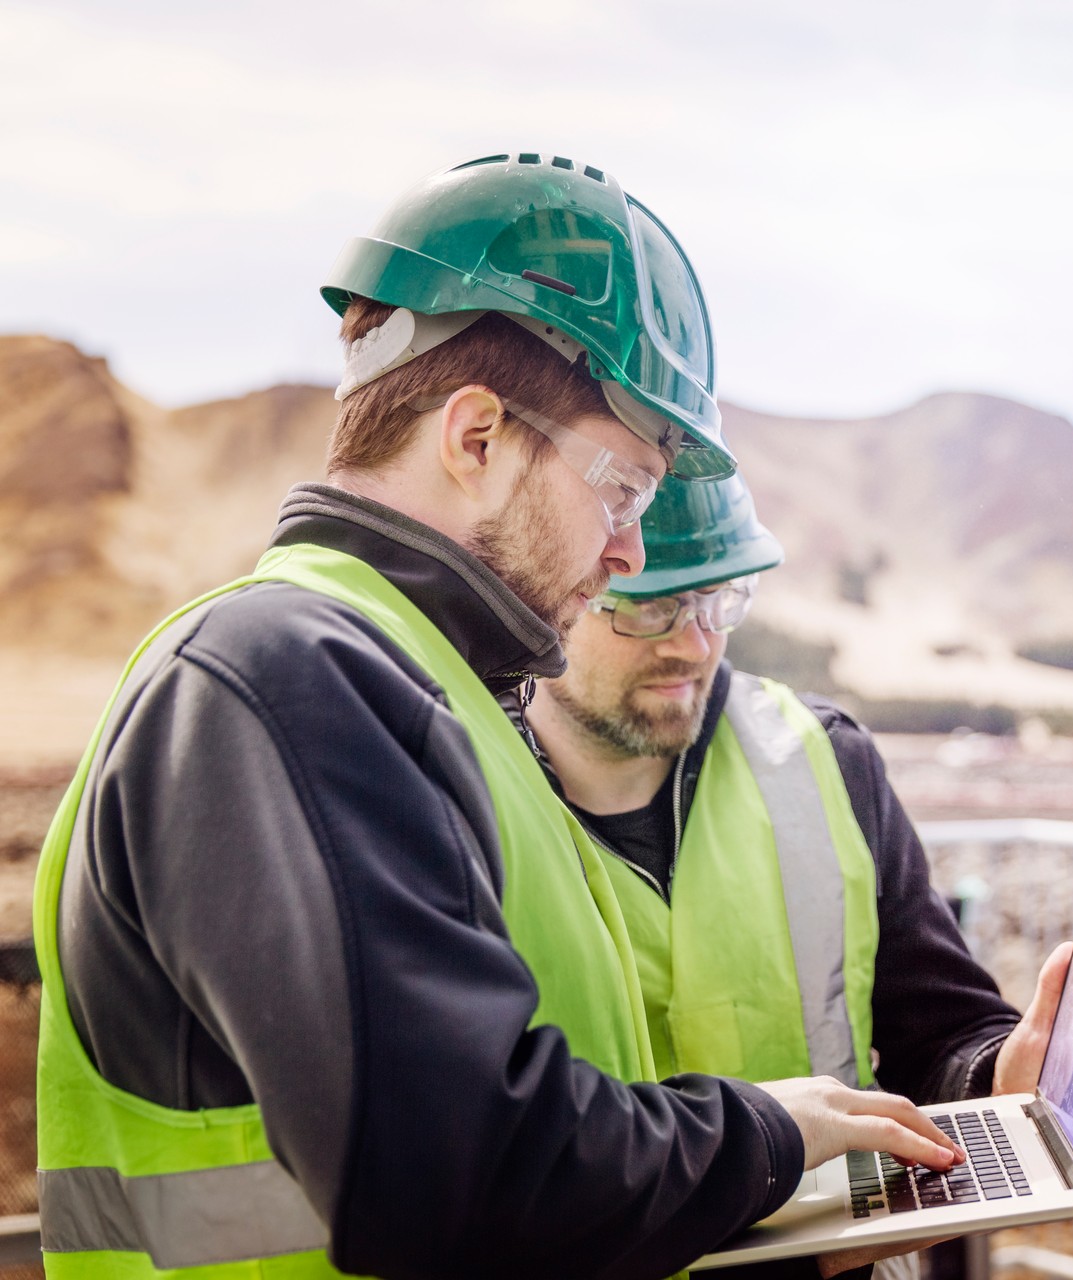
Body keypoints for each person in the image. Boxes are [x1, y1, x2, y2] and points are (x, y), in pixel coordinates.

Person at [32, 153, 964, 1280]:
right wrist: (768, 1135)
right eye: (621, 487)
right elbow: (463, 1169)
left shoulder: (444, 699)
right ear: (476, 437)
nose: (628, 550)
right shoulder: (282, 676)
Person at [515, 472, 1073, 1278]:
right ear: (549, 598)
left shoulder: (826, 761)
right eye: (651, 605)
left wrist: (996, 1073)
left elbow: (942, 1030)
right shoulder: (459, 796)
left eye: (719, 599)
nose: (695, 641)